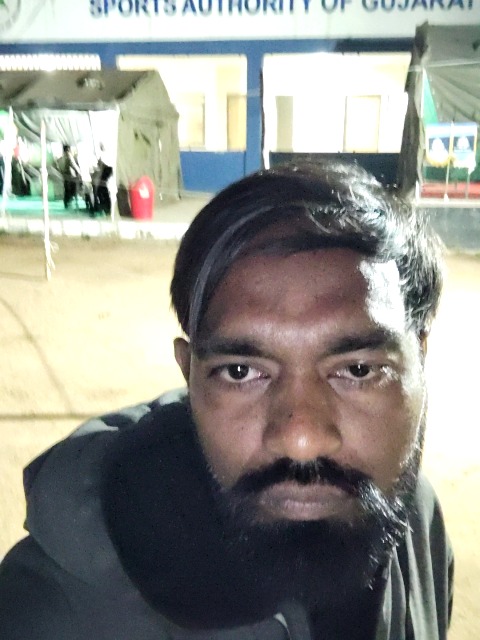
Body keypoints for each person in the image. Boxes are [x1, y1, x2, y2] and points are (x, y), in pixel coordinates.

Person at [0, 161, 453, 640]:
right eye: (240, 372)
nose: (301, 439)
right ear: (189, 374)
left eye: (358, 370)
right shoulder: (47, 615)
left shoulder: (416, 522)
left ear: (420, 360)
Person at [58, 144, 82, 209]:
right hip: (71, 176)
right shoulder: (69, 156)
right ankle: (70, 202)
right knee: (72, 190)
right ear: (68, 149)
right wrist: (80, 172)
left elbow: (59, 166)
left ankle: (66, 203)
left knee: (66, 189)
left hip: (64, 176)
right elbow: (73, 165)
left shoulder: (61, 157)